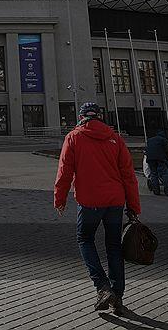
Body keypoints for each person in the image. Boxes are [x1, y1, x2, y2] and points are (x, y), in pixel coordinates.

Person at [55, 102, 141, 315]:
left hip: (90, 201)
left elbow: (65, 171)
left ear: (81, 117)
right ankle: (117, 296)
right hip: (115, 201)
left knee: (85, 239)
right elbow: (129, 175)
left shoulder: (74, 137)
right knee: (114, 246)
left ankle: (103, 287)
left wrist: (60, 199)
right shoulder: (116, 139)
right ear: (100, 117)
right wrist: (133, 206)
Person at [145, 130, 168, 197]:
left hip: (150, 159)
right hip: (160, 159)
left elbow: (147, 149)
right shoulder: (164, 140)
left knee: (154, 174)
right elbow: (166, 150)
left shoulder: (150, 140)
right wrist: (166, 159)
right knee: (164, 174)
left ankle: (156, 191)